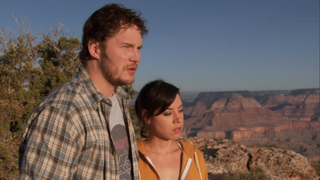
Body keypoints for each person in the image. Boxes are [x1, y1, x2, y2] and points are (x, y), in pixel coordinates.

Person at [19, 3, 148, 179]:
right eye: (126, 47)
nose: (136, 57)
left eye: (138, 48)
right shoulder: (64, 112)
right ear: (95, 49)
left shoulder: (118, 101)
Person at [134, 80, 208, 180]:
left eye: (180, 110)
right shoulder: (130, 160)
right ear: (147, 117)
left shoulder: (195, 157)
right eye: (168, 113)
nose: (178, 119)